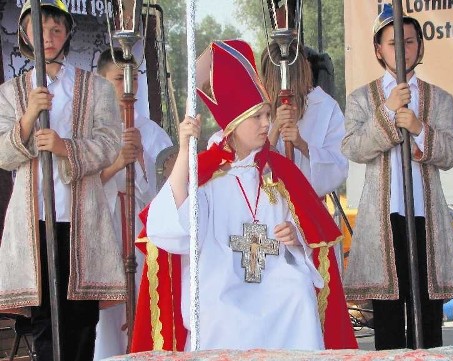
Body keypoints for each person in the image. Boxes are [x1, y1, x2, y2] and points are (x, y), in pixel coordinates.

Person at [132, 39, 356, 351]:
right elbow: (174, 230)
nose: (268, 123)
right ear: (233, 125)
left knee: (297, 294)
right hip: (221, 281)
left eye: (268, 114)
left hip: (276, 276)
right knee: (220, 310)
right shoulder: (208, 174)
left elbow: (309, 237)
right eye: (258, 117)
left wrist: (296, 237)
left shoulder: (279, 172)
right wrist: (185, 150)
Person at [0, 1, 125, 360]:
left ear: (67, 33)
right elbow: (2, 153)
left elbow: (109, 143)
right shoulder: (10, 93)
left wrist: (64, 147)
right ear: (24, 34)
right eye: (39, 30)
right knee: (43, 321)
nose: (48, 38)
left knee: (81, 321)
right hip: (33, 222)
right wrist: (27, 119)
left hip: (79, 219)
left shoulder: (96, 88)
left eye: (56, 29)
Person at [341, 3, 453, 350]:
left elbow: (452, 152)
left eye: (409, 42)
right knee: (388, 319)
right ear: (378, 50)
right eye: (393, 43)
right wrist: (386, 111)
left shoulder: (439, 98)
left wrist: (419, 129)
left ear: (420, 47)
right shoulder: (362, 99)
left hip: (425, 218)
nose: (402, 49)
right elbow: (353, 148)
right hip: (382, 222)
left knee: (428, 317)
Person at [93, 48, 173, 360]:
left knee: (144, 304)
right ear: (100, 82)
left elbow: (167, 191)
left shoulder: (153, 132)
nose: (129, 86)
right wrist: (114, 166)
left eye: (134, 77)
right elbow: (75, 183)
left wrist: (140, 160)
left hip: (142, 233)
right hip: (103, 231)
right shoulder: (88, 129)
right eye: (118, 79)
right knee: (104, 321)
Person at [260, 41, 348, 198]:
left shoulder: (325, 107)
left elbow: (339, 166)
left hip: (309, 206)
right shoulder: (259, 108)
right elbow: (250, 166)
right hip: (268, 208)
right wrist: (275, 128)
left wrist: (302, 145)